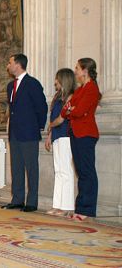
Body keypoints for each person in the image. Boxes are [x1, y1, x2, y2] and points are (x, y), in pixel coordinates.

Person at [2, 54, 47, 212]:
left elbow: (42, 107)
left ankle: (32, 202)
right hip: (14, 133)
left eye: (10, 62)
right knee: (16, 167)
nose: (8, 66)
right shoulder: (10, 86)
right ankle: (17, 199)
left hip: (29, 133)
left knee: (31, 167)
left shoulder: (32, 83)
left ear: (18, 65)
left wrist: (39, 126)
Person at [62, 58, 101, 221]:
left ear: (85, 70)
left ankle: (87, 209)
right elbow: (66, 111)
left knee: (87, 171)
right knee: (80, 171)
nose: (75, 71)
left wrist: (72, 109)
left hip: (86, 133)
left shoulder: (92, 88)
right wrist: (72, 109)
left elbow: (79, 111)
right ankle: (80, 208)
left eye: (77, 68)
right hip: (76, 133)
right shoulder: (79, 90)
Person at [44, 68, 76, 217]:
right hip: (56, 136)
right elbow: (53, 118)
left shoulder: (70, 97)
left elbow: (61, 119)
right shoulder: (57, 98)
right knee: (58, 171)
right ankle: (57, 205)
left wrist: (51, 126)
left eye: (57, 78)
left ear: (63, 79)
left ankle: (67, 205)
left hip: (65, 136)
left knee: (66, 172)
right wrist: (49, 135)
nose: (55, 81)